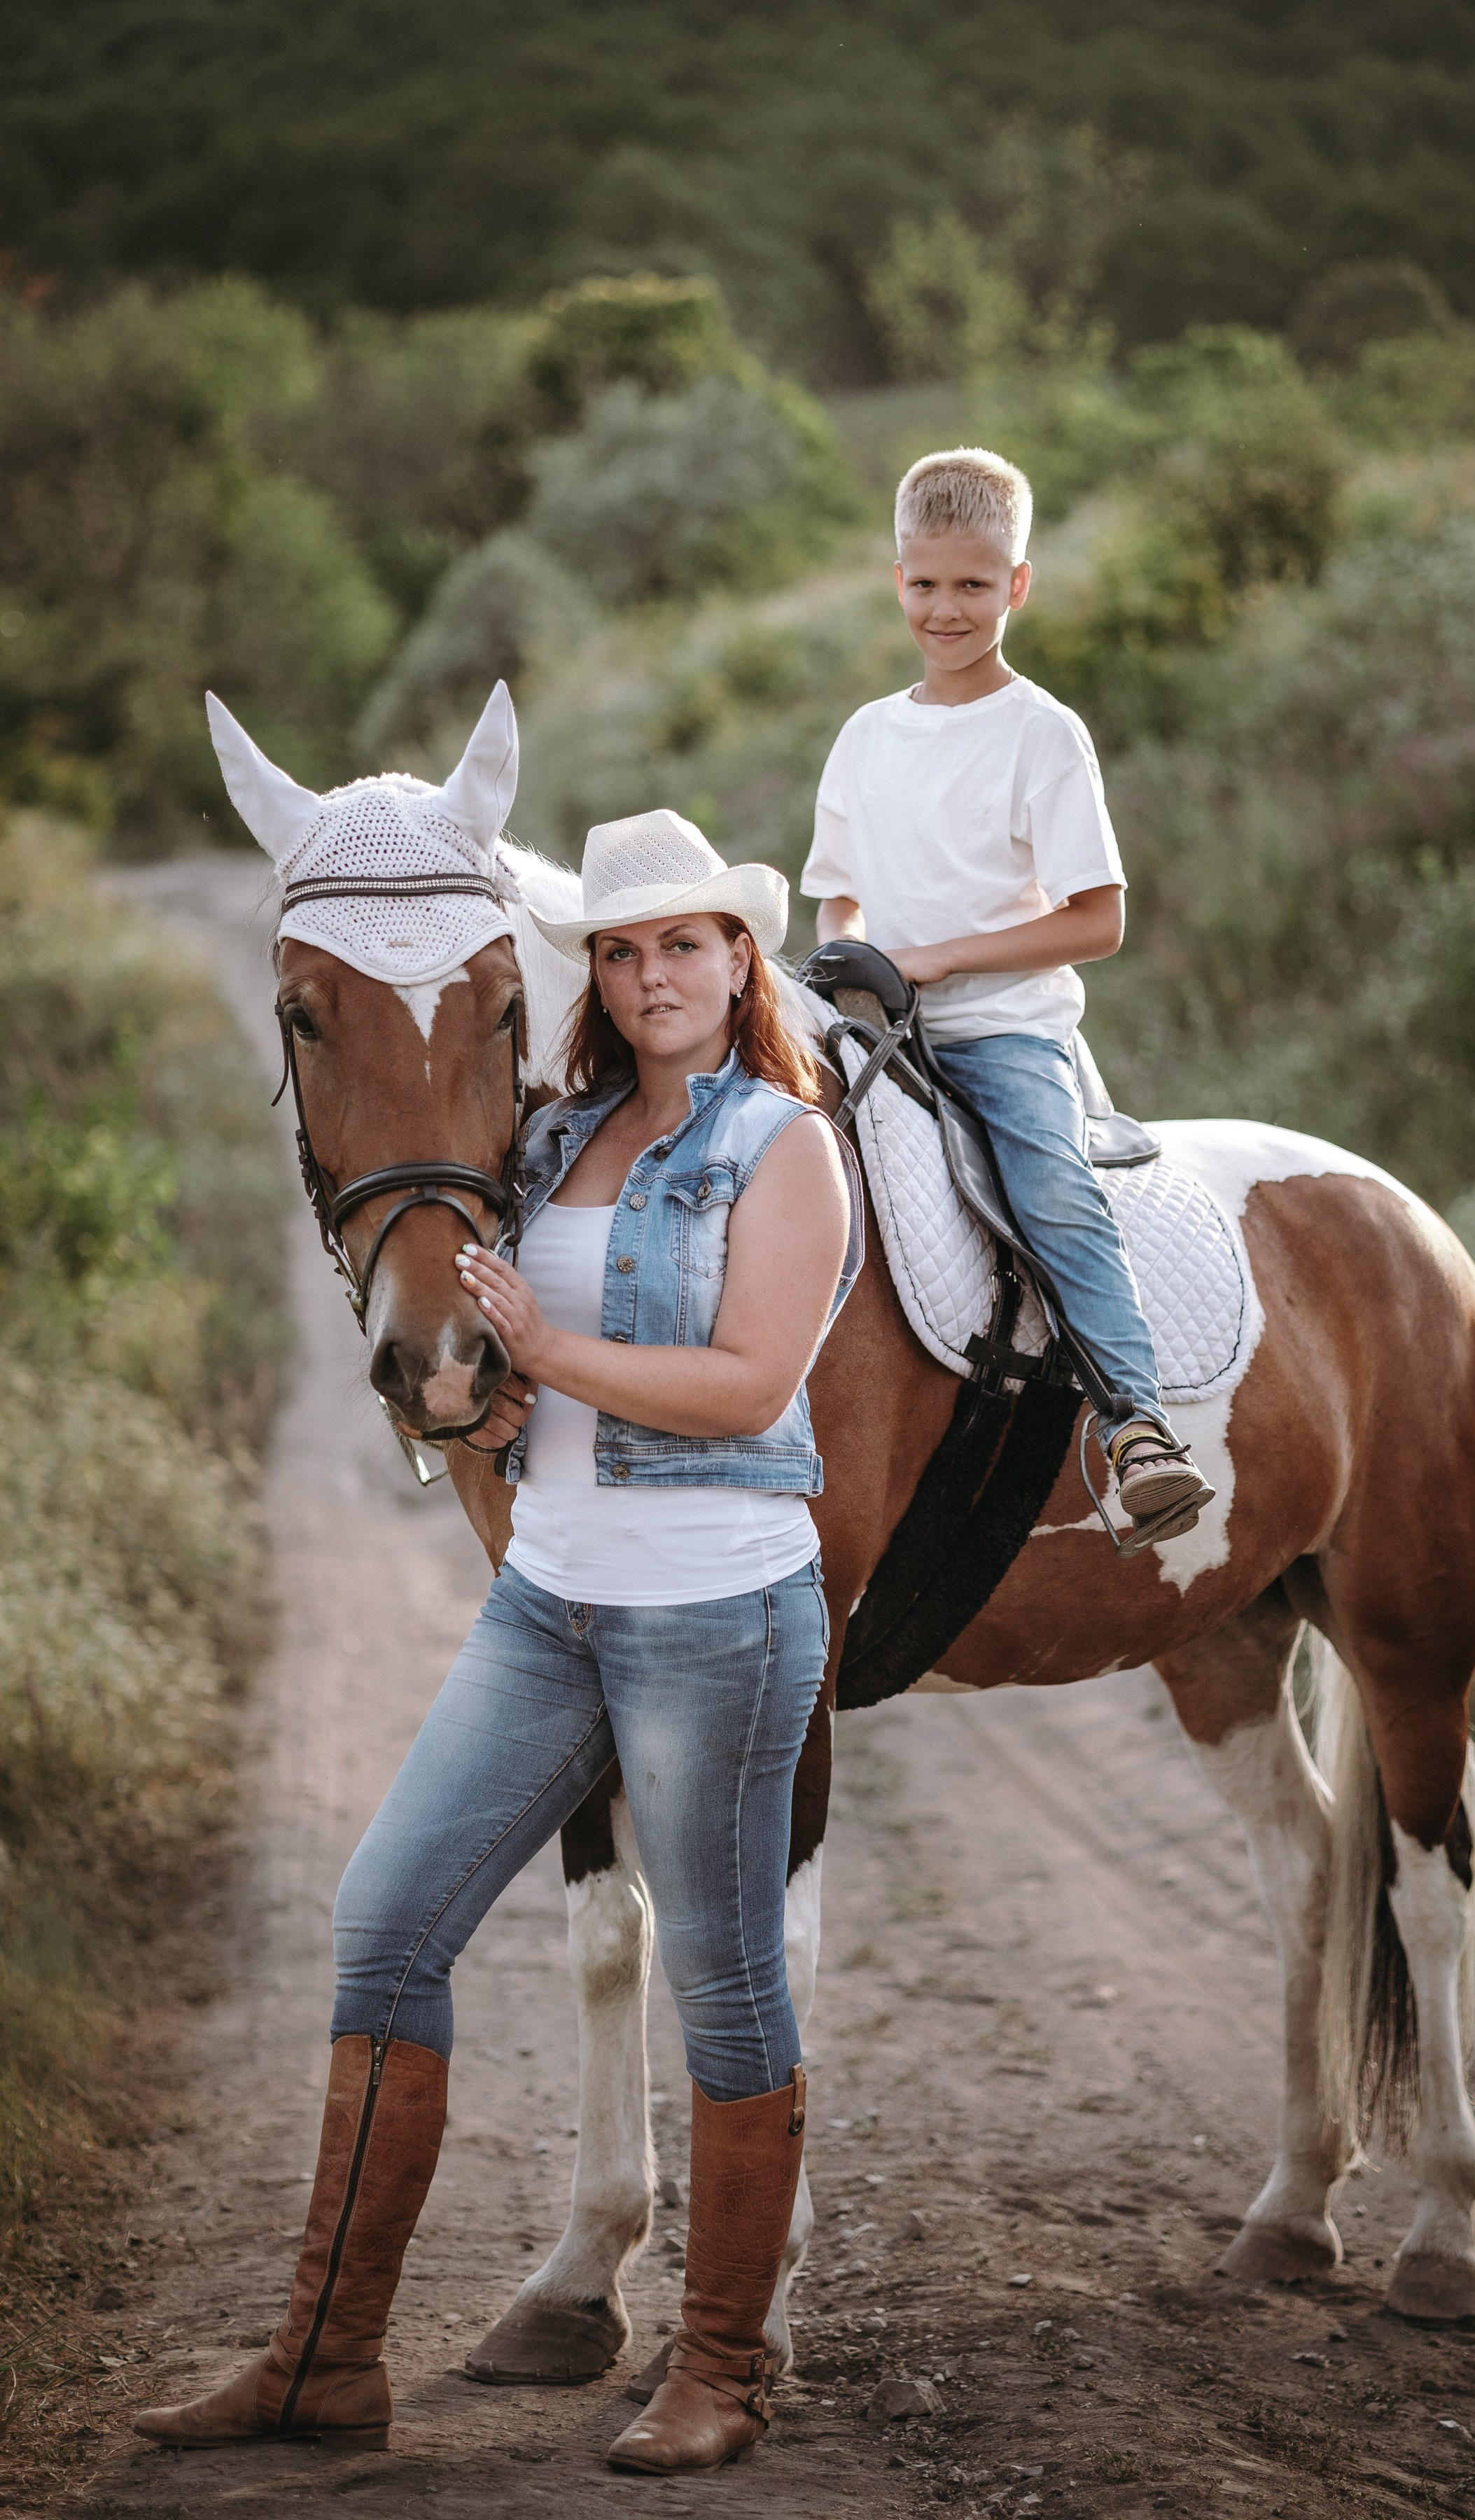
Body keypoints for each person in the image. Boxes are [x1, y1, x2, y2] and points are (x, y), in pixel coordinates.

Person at [135, 809, 860, 2476]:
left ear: (739, 960)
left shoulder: (787, 1148)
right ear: (588, 973)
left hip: (717, 1608)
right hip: (553, 1602)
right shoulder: (551, 1142)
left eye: (686, 943)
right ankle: (326, 2360)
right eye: (622, 948)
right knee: (386, 1920)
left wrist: (554, 1350)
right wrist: (481, 1387)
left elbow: (751, 1386)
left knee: (726, 1983)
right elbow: (465, 1316)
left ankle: (723, 2368)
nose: (654, 973)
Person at [802, 444, 1208, 1541]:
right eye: (927, 584)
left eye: (974, 585)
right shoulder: (866, 736)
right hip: (873, 1030)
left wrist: (937, 960)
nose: (947, 609)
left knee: (1053, 1193)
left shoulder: (1042, 734)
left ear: (1017, 585)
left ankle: (1137, 1430)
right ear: (898, 580)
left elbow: (1097, 921)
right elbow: (837, 900)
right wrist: (849, 962)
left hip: (1001, 1035)